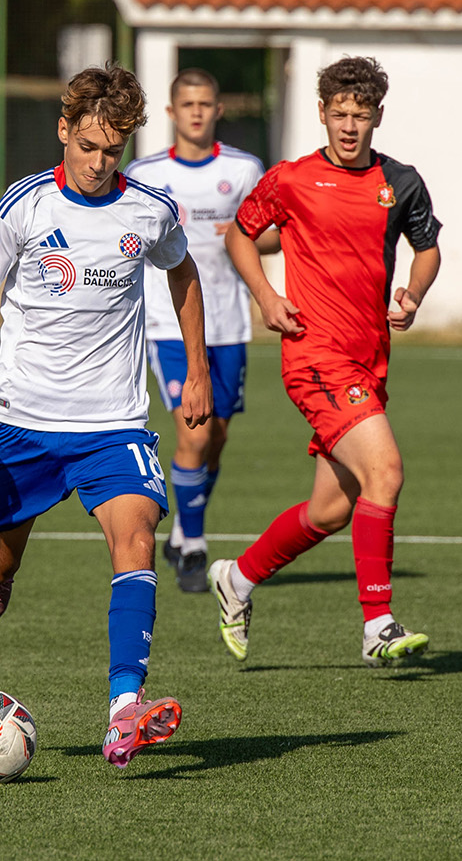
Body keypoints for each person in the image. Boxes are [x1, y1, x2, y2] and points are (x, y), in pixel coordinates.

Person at [0, 63, 213, 767]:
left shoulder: (148, 211)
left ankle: (125, 709)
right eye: (87, 146)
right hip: (23, 426)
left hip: (112, 425)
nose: (97, 163)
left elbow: (182, 276)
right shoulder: (22, 207)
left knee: (136, 540)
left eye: (111, 151)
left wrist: (195, 373)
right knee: (2, 553)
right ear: (63, 131)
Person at [208, 56, 442, 667]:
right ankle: (378, 625)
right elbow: (238, 234)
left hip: (369, 362)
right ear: (321, 114)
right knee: (385, 471)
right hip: (314, 356)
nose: (348, 126)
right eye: (339, 114)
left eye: (360, 116)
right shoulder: (291, 179)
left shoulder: (402, 182)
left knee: (331, 509)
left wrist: (414, 294)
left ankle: (238, 578)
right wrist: (267, 296)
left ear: (377, 118)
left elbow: (427, 250)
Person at [123, 68, 268, 592]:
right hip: (169, 323)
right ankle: (195, 549)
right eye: (188, 104)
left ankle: (182, 528)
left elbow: (266, 235)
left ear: (218, 110)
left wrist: (248, 238)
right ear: (171, 112)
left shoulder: (243, 169)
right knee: (195, 429)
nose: (197, 112)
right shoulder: (145, 172)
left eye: (206, 103)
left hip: (229, 322)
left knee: (218, 437)